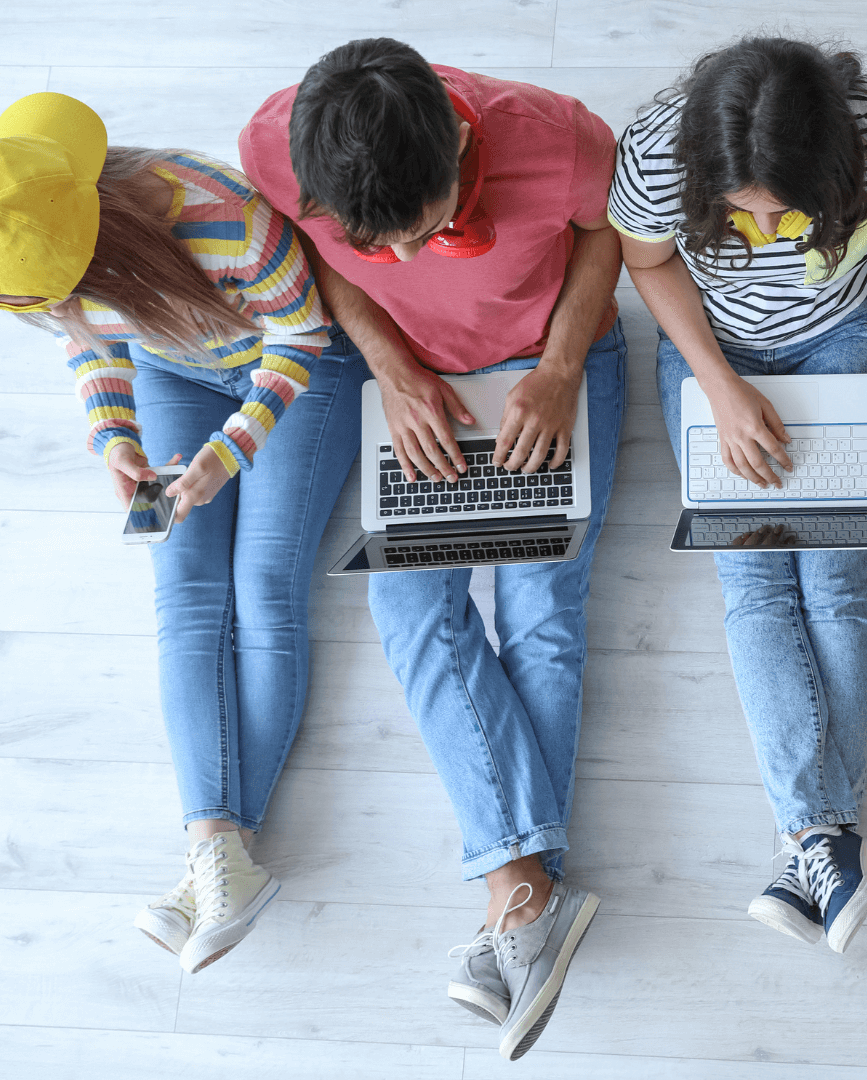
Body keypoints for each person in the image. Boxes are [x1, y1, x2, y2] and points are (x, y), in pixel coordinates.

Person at [238, 38, 623, 1060]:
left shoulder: (563, 139)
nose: (404, 260)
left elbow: (607, 243)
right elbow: (309, 256)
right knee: (406, 605)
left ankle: (518, 899)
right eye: (384, 243)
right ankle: (527, 891)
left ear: (459, 140)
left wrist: (561, 365)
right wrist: (388, 363)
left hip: (553, 360)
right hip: (414, 384)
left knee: (542, 608)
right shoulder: (273, 146)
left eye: (422, 231)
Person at [0, 94, 369, 974]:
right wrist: (115, 439)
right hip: (176, 366)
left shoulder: (226, 219)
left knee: (264, 589)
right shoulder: (24, 266)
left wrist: (228, 451)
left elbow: (306, 331)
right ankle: (220, 851)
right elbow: (89, 342)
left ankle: (215, 861)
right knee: (185, 599)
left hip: (294, 366)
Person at [611, 38, 867, 953]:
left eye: (784, 211)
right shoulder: (655, 149)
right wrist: (718, 382)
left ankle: (806, 842)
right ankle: (825, 839)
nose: (763, 226)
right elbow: (649, 263)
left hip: (846, 333)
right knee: (753, 586)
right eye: (739, 212)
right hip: (712, 353)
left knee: (835, 587)